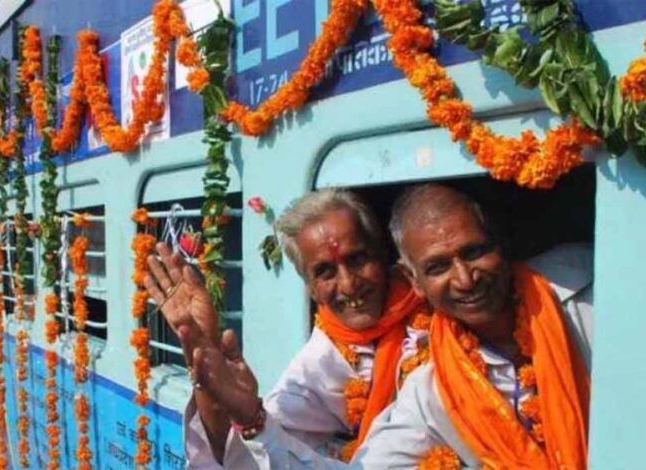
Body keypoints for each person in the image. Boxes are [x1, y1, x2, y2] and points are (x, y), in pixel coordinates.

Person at [189, 183, 592, 469]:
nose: (465, 279)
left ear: (384, 259)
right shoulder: (429, 389)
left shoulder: (581, 287)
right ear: (415, 277)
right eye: (326, 271)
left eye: (474, 252)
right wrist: (246, 417)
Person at [144, 189, 430, 468]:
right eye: (325, 272)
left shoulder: (438, 315)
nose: (348, 284)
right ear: (312, 290)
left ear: (382, 255)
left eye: (357, 259)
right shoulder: (318, 362)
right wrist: (217, 382)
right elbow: (250, 458)